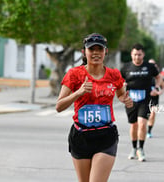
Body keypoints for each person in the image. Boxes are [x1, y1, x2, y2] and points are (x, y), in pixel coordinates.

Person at [56, 33, 133, 182]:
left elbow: (121, 94)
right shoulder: (74, 74)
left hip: (106, 136)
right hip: (80, 136)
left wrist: (125, 99)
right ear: (84, 52)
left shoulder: (114, 75)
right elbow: (59, 106)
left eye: (100, 49)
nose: (96, 53)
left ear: (106, 52)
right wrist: (79, 92)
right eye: (92, 49)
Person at [121, 44, 161, 162]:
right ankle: (133, 148)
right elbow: (118, 80)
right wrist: (122, 85)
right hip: (131, 99)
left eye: (139, 54)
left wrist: (157, 88)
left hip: (145, 99)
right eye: (135, 54)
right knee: (133, 125)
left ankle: (141, 149)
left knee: (142, 123)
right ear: (131, 55)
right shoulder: (126, 67)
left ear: (143, 54)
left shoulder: (149, 67)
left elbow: (159, 78)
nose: (137, 57)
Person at [147, 59, 164, 138]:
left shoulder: (159, 76)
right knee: (145, 115)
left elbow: (163, 86)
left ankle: (149, 131)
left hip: (154, 98)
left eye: (153, 64)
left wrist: (159, 92)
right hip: (145, 98)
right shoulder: (144, 74)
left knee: (153, 114)